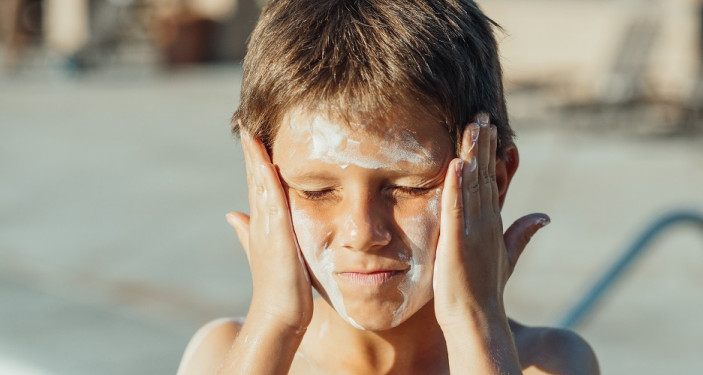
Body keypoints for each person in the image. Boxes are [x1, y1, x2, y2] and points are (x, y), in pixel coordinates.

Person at [177, 0, 600, 374]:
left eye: (409, 187)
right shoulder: (223, 355)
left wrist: (474, 321)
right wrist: (274, 321)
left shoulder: (546, 362)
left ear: (494, 180)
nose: (362, 233)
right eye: (316, 191)